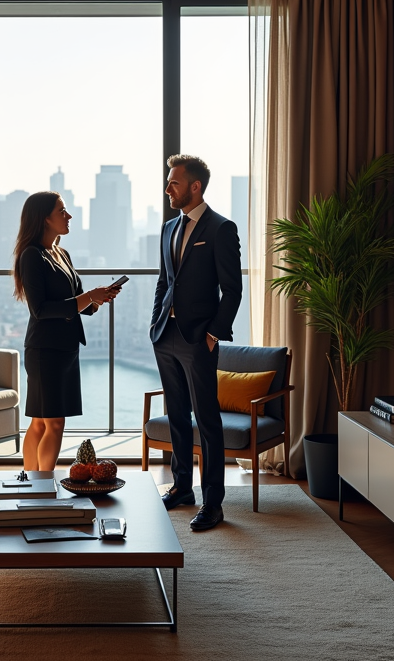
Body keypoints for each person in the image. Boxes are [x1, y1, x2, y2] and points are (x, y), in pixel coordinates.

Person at [150, 155, 242, 531]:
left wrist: (212, 334)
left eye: (174, 182)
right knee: (176, 415)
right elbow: (164, 279)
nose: (168, 188)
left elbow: (232, 290)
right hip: (166, 336)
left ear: (195, 186)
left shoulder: (221, 228)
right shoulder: (168, 227)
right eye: (168, 182)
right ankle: (182, 488)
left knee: (207, 421)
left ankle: (213, 504)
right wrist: (155, 321)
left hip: (198, 339)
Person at [13, 191, 122, 471]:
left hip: (66, 348)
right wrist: (89, 296)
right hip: (44, 350)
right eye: (62, 211)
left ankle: (30, 483)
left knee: (40, 420)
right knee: (53, 421)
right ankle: (42, 484)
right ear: (44, 218)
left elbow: (77, 303)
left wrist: (98, 298)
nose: (69, 215)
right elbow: (41, 309)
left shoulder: (62, 254)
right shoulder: (31, 256)